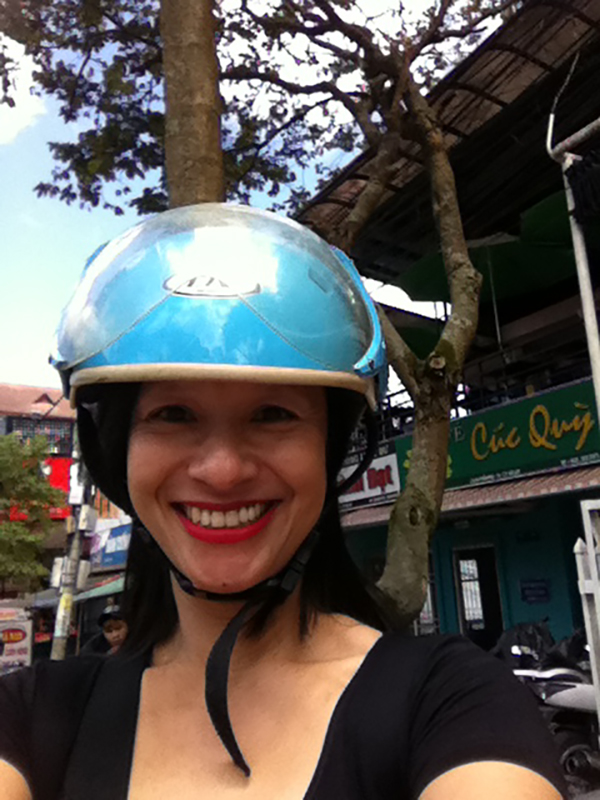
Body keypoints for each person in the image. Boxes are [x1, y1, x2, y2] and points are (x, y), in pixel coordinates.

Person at [0, 205, 566, 799]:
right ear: (117, 452)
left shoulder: (453, 703)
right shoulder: (33, 715)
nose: (222, 471)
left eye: (273, 414)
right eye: (174, 414)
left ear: (330, 449)